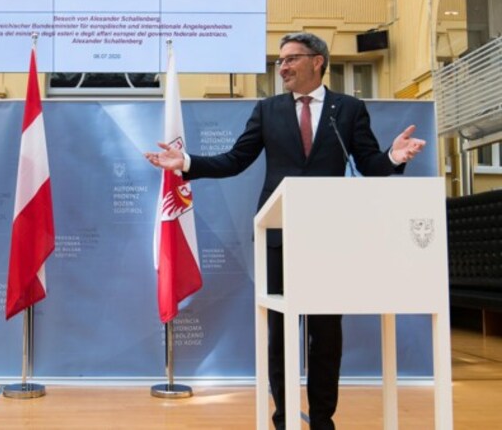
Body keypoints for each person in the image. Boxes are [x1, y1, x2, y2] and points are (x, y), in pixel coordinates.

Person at [145, 32, 425, 430]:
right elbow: (236, 160)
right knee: (280, 333)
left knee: (326, 334)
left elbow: (369, 164)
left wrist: (394, 158)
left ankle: (323, 418)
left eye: (292, 59)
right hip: (279, 235)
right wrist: (186, 161)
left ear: (318, 62)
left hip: (330, 237)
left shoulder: (347, 110)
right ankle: (284, 417)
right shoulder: (268, 110)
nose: (284, 67)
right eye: (280, 61)